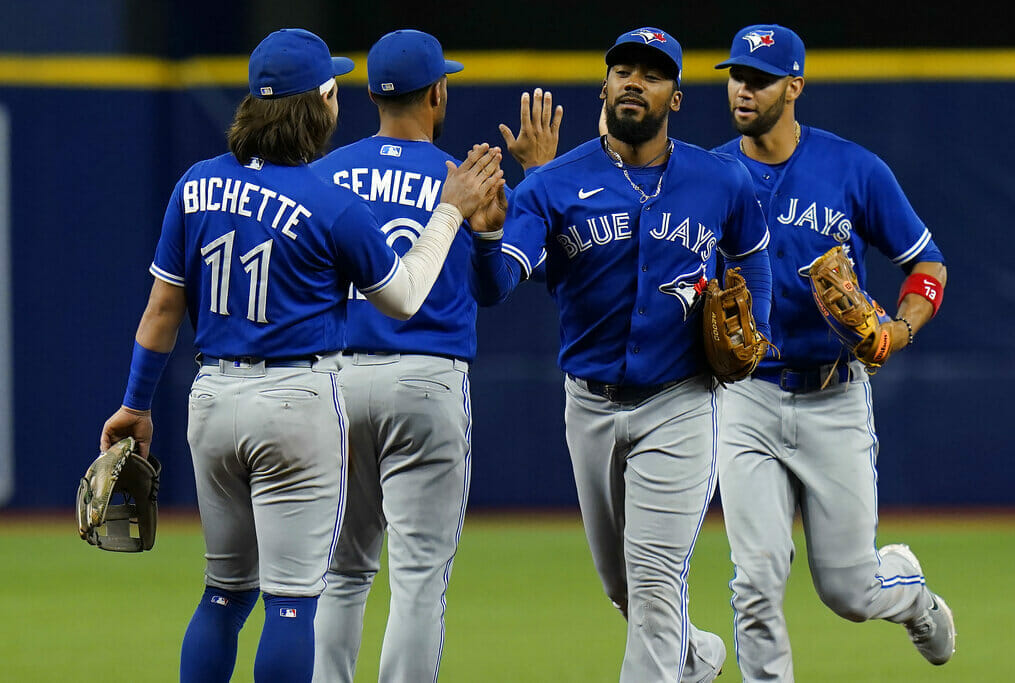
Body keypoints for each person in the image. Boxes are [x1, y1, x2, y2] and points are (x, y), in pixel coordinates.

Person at [97, 27, 503, 683]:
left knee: (224, 592)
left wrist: (135, 404)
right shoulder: (327, 202)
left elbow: (160, 313)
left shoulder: (195, 185)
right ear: (317, 104)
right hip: (297, 400)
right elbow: (400, 297)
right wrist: (450, 212)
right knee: (292, 600)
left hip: (211, 398)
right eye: (331, 89)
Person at [473, 26, 773, 683]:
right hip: (590, 405)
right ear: (605, 87)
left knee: (657, 580)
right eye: (623, 70)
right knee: (626, 588)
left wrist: (761, 328)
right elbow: (495, 286)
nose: (635, 80)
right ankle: (693, 658)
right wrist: (488, 233)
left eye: (653, 73)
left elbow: (752, 255)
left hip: (681, 402)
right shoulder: (553, 183)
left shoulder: (721, 178)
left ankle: (669, 656)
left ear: (676, 97)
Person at [308, 29, 560, 683]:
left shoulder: (323, 175)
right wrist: (491, 230)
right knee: (417, 578)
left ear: (368, 94)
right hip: (426, 381)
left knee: (339, 573)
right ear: (438, 93)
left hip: (335, 382)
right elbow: (493, 286)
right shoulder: (461, 180)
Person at [711, 24, 953, 682]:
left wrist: (897, 330)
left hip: (834, 395)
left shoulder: (853, 168)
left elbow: (928, 266)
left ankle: (905, 587)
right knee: (755, 579)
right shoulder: (707, 175)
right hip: (745, 399)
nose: (742, 88)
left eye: (758, 79)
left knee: (848, 591)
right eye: (735, 75)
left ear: (795, 86)